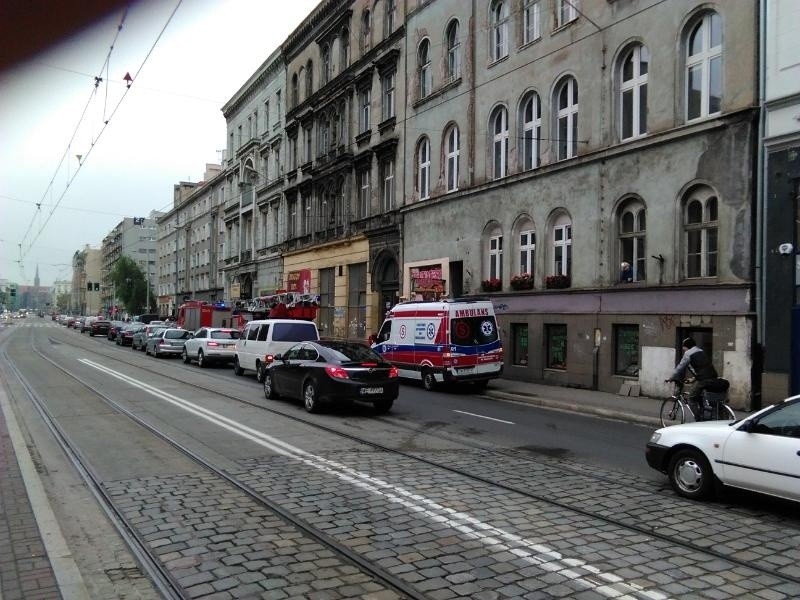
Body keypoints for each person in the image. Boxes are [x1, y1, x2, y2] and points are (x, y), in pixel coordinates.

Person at [666, 337, 719, 420]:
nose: (684, 350)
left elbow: (680, 367)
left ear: (687, 347)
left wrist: (671, 378)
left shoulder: (688, 354)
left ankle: (698, 420)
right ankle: (703, 413)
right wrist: (694, 379)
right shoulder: (700, 351)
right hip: (713, 376)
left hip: (703, 379)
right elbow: (702, 368)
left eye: (684, 348)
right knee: (699, 396)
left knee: (691, 398)